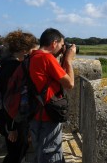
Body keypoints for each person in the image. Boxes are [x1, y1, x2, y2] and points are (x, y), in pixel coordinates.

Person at [0, 29, 38, 163]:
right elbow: (11, 99)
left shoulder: (5, 62)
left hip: (7, 116)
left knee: (16, 152)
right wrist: (11, 128)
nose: (34, 54)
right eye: (33, 50)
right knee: (16, 154)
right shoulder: (15, 68)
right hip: (12, 120)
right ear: (24, 50)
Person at [29, 28, 76, 163]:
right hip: (48, 115)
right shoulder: (47, 58)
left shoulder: (33, 56)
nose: (62, 48)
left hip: (35, 112)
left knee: (40, 152)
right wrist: (68, 60)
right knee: (51, 154)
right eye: (61, 45)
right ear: (54, 43)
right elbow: (70, 84)